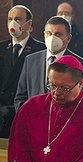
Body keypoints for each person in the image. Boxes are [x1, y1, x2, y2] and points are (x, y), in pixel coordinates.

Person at [14, 16, 83, 111]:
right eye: (49, 33)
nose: (52, 38)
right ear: (44, 34)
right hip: (34, 120)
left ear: (68, 38)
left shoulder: (80, 64)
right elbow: (20, 97)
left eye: (58, 34)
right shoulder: (31, 60)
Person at [0, 5, 45, 138]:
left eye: (18, 19)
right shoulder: (1, 48)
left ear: (29, 24)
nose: (13, 23)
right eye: (10, 19)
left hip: (25, 112)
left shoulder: (40, 50)